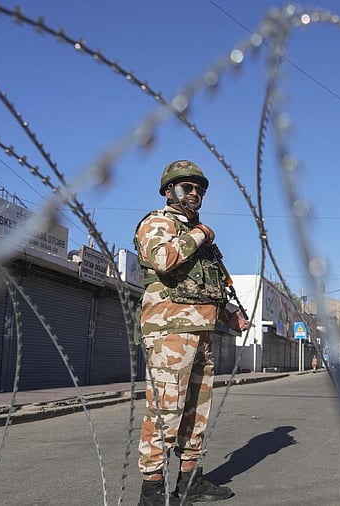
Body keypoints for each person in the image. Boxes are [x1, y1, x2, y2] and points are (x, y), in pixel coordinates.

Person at [134, 160, 250, 506]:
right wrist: (200, 234)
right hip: (170, 331)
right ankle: (151, 492)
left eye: (199, 188)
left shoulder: (201, 237)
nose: (194, 192)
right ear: (169, 191)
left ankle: (189, 482)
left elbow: (210, 286)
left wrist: (231, 317)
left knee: (196, 414)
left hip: (201, 332)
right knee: (165, 412)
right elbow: (163, 260)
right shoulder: (158, 223)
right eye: (186, 186)